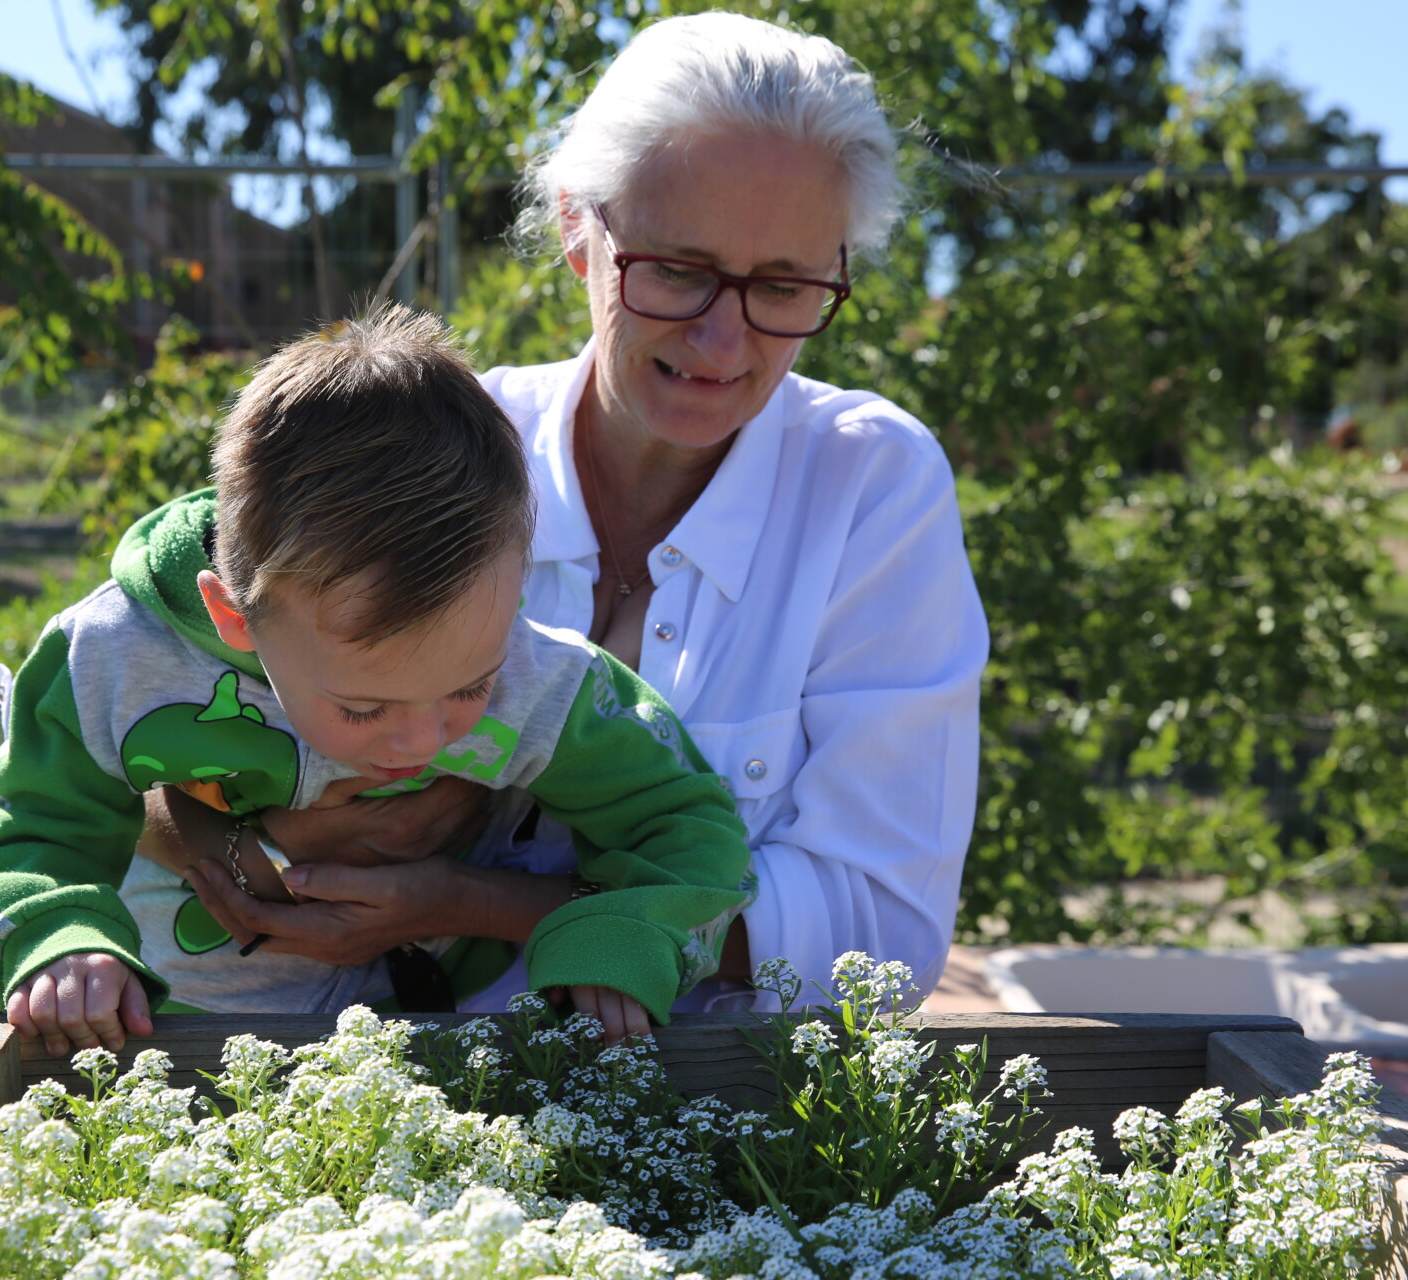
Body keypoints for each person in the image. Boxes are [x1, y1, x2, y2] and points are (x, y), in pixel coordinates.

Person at [146, 11, 987, 1018]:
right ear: (581, 230)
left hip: (713, 1126)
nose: (724, 338)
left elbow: (876, 934)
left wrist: (461, 898)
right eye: (678, 268)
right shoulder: (431, 446)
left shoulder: (871, 488)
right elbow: (136, 724)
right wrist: (238, 846)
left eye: (784, 283)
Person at [0, 305, 755, 1057]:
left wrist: (617, 935)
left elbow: (687, 825)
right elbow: (29, 828)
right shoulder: (111, 656)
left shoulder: (542, 678)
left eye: (471, 688)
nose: (421, 740)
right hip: (170, 1043)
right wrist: (57, 939)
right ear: (234, 619)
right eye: (364, 707)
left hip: (437, 1048)